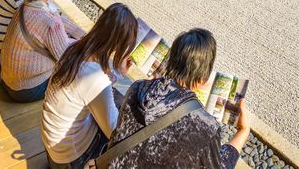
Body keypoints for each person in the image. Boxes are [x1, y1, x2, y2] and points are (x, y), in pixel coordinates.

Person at [105, 29, 253, 169]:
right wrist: (243, 130)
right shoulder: (206, 125)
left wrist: (152, 86)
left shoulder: (137, 88)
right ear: (203, 79)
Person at [42, 3, 138, 169]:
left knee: (114, 101)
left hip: (53, 146)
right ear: (118, 45)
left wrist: (116, 72)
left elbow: (90, 87)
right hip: (70, 158)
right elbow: (114, 132)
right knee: (129, 138)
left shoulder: (74, 48)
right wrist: (124, 79)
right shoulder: (96, 79)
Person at [0, 0, 74, 102]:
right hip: (27, 89)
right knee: (78, 67)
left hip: (9, 80)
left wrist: (77, 33)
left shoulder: (24, 7)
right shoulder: (50, 22)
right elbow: (65, 57)